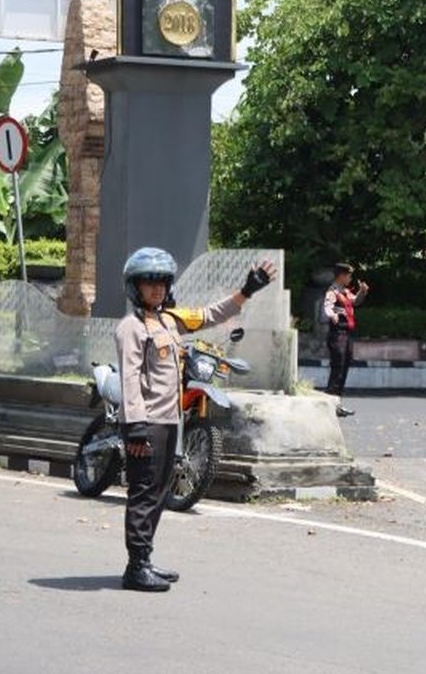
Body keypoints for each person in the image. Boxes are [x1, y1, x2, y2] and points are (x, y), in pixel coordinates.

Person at [114, 247, 277, 592]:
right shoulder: (131, 328)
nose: (157, 289)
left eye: (162, 282)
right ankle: (135, 567)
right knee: (143, 493)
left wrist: (246, 291)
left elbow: (210, 315)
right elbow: (129, 379)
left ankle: (144, 560)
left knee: (159, 492)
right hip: (146, 424)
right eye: (149, 283)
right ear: (135, 287)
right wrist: (135, 428)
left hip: (169, 420)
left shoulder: (170, 320)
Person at [320, 262, 368, 417]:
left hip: (347, 334)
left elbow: (356, 301)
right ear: (341, 275)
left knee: (344, 367)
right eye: (348, 276)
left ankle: (337, 403)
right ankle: (330, 402)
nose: (350, 279)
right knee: (338, 367)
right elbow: (327, 306)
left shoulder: (345, 292)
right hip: (338, 334)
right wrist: (332, 314)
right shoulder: (332, 291)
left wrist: (362, 292)